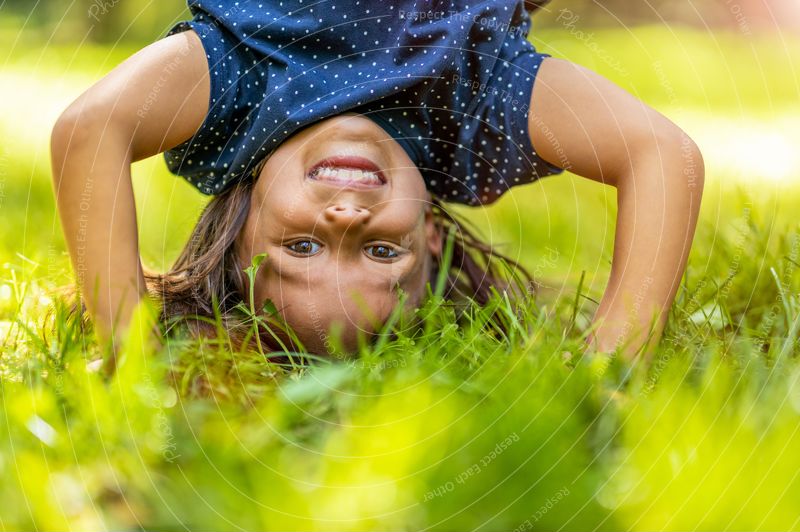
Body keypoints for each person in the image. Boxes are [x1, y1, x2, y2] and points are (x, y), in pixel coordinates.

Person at [50, 0, 703, 358]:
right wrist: (614, 358)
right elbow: (662, 155)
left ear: (239, 226)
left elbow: (87, 132)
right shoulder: (472, 117)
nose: (344, 221)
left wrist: (126, 350)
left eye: (300, 247)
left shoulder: (237, 91)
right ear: (431, 239)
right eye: (383, 251)